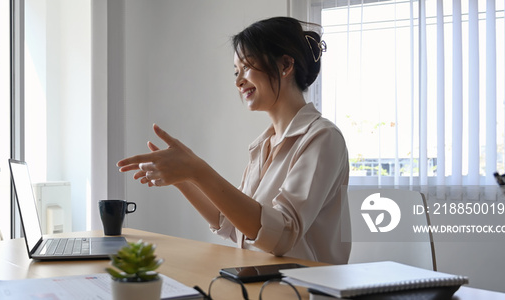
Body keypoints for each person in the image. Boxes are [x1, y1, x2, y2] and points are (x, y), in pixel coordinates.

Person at [116, 16, 350, 264]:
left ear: (285, 65)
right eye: (236, 71)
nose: (238, 81)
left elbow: (281, 236)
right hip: (259, 285)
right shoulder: (263, 145)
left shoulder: (323, 138)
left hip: (305, 290)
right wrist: (183, 177)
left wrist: (197, 170)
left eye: (247, 66)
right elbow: (230, 223)